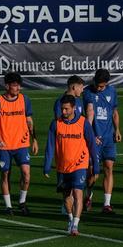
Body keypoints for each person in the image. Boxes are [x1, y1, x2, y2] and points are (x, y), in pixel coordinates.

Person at [44, 95, 100, 236]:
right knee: (66, 196)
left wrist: (96, 166)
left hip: (80, 164)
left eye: (66, 109)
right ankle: (70, 218)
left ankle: (75, 224)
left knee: (77, 192)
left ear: (74, 108)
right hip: (62, 166)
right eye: (62, 109)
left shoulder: (83, 123)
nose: (63, 112)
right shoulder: (55, 124)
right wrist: (47, 165)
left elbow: (92, 144)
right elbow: (50, 146)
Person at [0, 72, 38, 216]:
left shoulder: (24, 100)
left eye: (19, 85)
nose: (18, 88)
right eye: (15, 85)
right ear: (7, 86)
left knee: (26, 174)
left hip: (22, 144)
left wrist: (34, 139)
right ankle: (8, 206)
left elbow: (29, 120)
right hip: (4, 146)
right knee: (5, 175)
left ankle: (22, 202)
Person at [84, 68, 122, 214]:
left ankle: (107, 204)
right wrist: (91, 136)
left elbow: (114, 112)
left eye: (102, 86)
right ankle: (89, 195)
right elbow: (89, 113)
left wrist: (117, 130)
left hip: (108, 138)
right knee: (93, 172)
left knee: (109, 167)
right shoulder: (88, 92)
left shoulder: (112, 91)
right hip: (94, 138)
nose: (99, 88)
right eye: (97, 85)